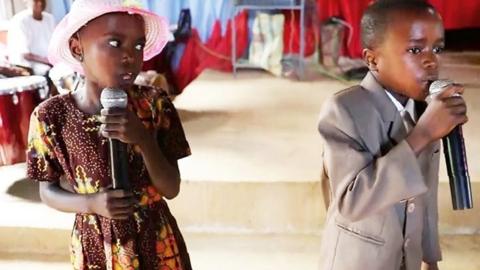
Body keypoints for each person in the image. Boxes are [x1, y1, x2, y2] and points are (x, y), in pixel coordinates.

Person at [26, 0, 192, 269]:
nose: (131, 56)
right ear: (77, 48)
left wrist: (143, 139)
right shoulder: (51, 116)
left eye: (138, 45)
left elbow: (171, 188)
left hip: (157, 242)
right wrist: (90, 203)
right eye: (115, 43)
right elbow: (47, 191)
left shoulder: (154, 104)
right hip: (96, 246)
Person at [317, 1, 468, 270]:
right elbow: (352, 202)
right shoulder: (344, 111)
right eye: (414, 49)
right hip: (357, 261)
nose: (431, 60)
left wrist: (429, 256)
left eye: (437, 48)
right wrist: (423, 134)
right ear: (372, 59)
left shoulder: (425, 109)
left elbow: (425, 192)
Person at [7, 0, 55, 75]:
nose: (40, 3)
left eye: (42, 0)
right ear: (26, 2)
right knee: (49, 72)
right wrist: (48, 61)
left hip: (48, 61)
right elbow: (26, 55)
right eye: (35, 1)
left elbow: (54, 44)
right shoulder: (20, 20)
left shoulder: (49, 18)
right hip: (27, 64)